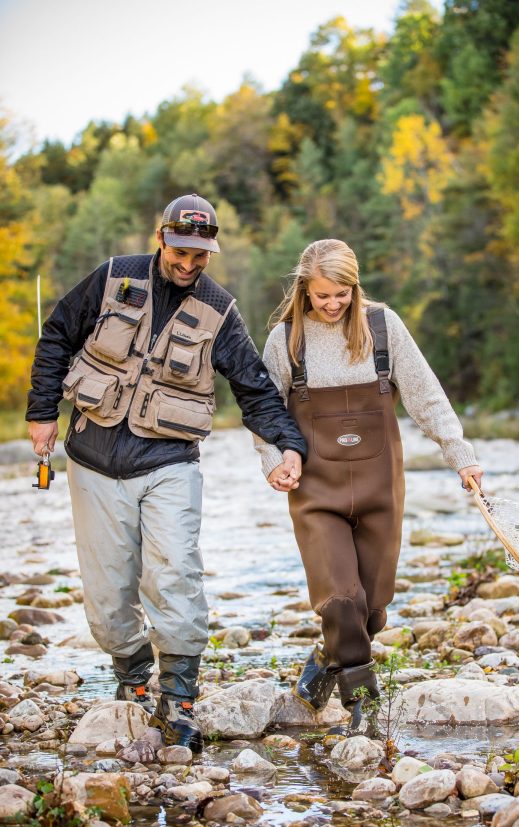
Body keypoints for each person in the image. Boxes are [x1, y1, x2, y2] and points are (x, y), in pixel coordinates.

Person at [26, 193, 306, 753]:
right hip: (93, 459)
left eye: (200, 255)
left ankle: (179, 699)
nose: (188, 263)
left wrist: (290, 446)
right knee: (107, 601)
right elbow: (57, 334)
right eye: (181, 250)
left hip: (170, 463)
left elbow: (254, 387)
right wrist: (40, 413)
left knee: (175, 574)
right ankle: (132, 680)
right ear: (162, 238)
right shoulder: (113, 279)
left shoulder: (219, 308)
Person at [254, 239, 483, 737]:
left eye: (341, 294)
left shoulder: (383, 328)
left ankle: (324, 656)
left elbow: (426, 394)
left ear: (354, 287)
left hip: (381, 486)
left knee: (371, 609)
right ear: (304, 291)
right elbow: (265, 410)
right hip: (315, 491)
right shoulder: (285, 340)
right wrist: (273, 459)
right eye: (321, 296)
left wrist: (459, 453)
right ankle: (363, 703)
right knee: (340, 600)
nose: (332, 304)